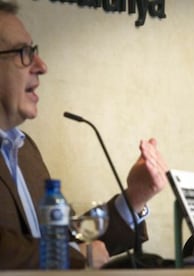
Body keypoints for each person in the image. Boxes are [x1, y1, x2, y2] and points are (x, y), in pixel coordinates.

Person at [0, 1, 168, 269]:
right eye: (23, 52)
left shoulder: (24, 149)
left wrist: (133, 198)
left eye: (34, 52)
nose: (42, 66)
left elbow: (70, 234)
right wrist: (75, 256)